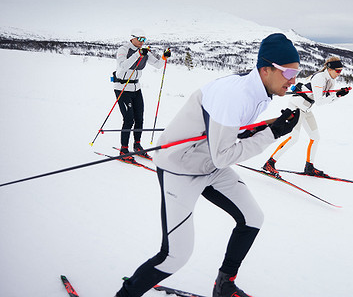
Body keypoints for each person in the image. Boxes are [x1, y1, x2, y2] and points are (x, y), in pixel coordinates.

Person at [115, 33, 301, 297]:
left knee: (252, 219)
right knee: (175, 256)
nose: (293, 80)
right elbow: (223, 156)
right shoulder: (235, 95)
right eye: (287, 72)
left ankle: (224, 285)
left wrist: (271, 125)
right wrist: (272, 133)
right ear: (266, 69)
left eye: (297, 72)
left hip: (208, 164)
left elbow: (231, 134)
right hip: (180, 168)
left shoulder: (258, 89)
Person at [262, 56, 350, 177]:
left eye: (341, 71)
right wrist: (336, 96)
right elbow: (319, 101)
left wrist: (339, 95)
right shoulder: (319, 78)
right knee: (294, 138)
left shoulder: (331, 81)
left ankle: (309, 167)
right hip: (296, 107)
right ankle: (270, 163)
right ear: (330, 69)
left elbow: (327, 99)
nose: (339, 74)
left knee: (315, 137)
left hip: (306, 109)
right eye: (338, 71)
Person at [113, 29, 171, 162]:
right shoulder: (123, 49)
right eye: (140, 39)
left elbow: (157, 65)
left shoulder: (144, 51)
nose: (142, 42)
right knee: (129, 119)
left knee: (139, 118)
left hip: (136, 88)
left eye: (144, 39)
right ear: (132, 38)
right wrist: (138, 55)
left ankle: (137, 146)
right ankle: (123, 150)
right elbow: (123, 66)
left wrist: (164, 57)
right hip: (122, 88)